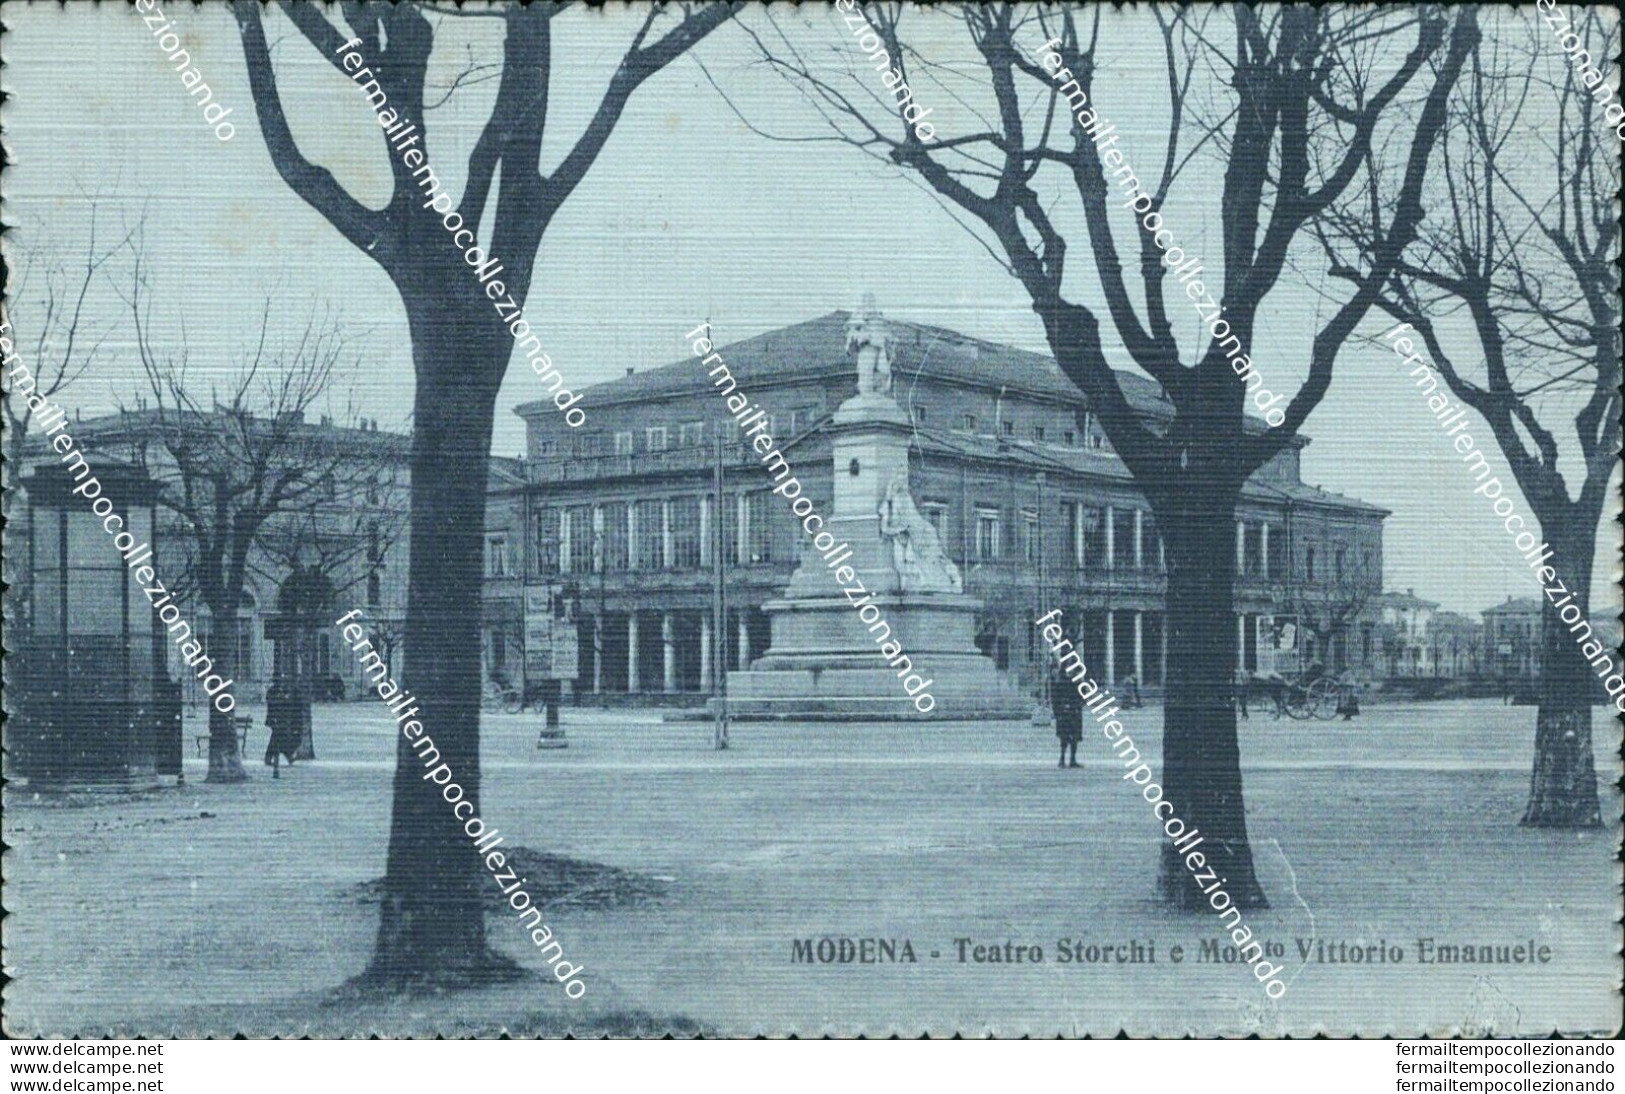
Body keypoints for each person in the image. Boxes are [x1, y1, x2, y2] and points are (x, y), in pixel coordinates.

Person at [1051, 666, 1083, 768]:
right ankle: (1062, 759)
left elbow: (1083, 699)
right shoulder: (1061, 685)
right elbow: (1055, 700)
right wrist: (1058, 712)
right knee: (1064, 737)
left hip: (1074, 713)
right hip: (1065, 714)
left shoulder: (1078, 685)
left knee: (1075, 737)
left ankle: (1072, 759)